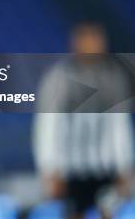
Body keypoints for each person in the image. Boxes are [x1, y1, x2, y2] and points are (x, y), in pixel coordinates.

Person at [33, 21, 133, 218]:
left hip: (106, 167)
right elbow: (47, 125)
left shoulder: (114, 78)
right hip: (71, 169)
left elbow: (120, 125)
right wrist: (48, 168)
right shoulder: (59, 78)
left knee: (109, 211)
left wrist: (125, 166)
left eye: (97, 40)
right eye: (87, 40)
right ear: (76, 43)